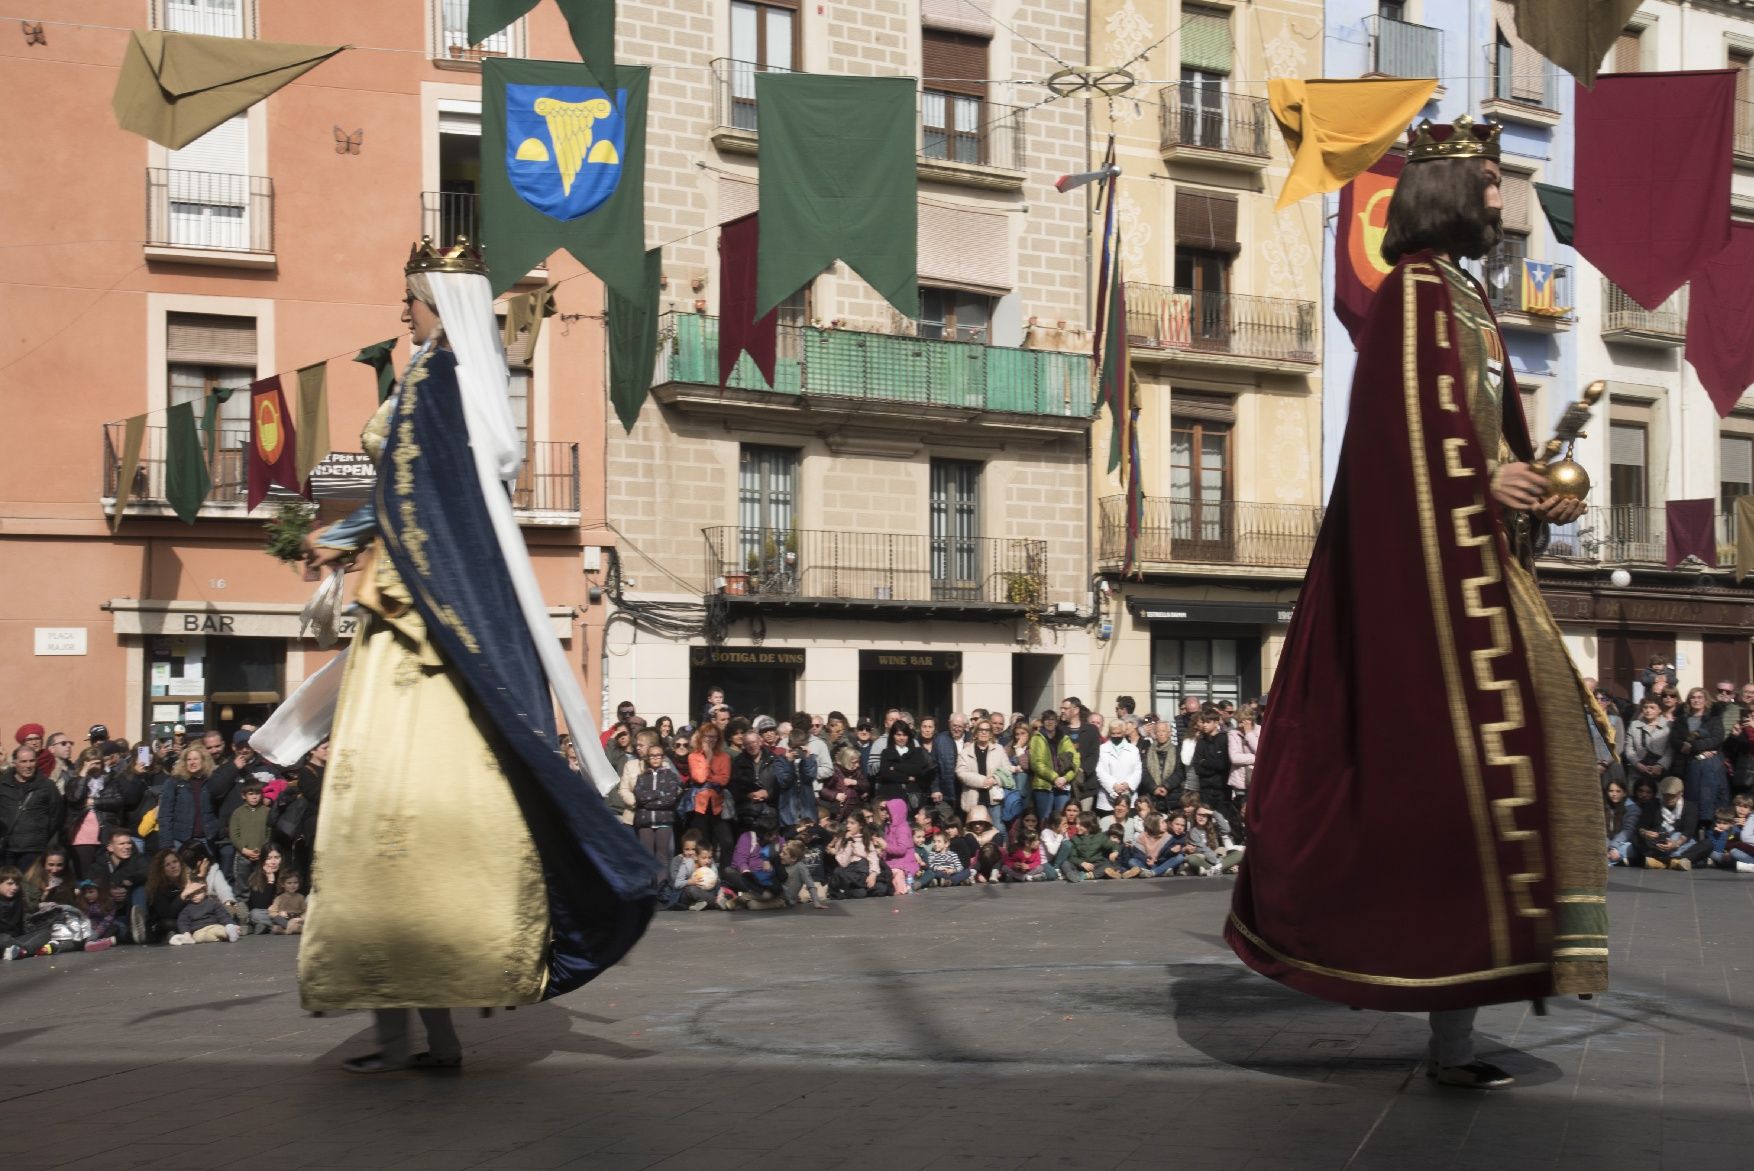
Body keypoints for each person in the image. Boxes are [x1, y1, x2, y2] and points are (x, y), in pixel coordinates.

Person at [1225, 115, 1608, 1092]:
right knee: (1449, 805)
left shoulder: (1472, 302)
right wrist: (1488, 487)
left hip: (1481, 572)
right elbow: (1398, 455)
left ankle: (1459, 1031)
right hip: (1430, 600)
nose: (1498, 197)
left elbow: (1491, 450)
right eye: (1485, 181)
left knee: (1525, 764)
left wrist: (1534, 488)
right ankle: (1443, 1028)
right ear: (1441, 192)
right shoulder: (1409, 301)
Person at [257, 237, 660, 1073]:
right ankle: (404, 1031)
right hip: (400, 618)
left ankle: (426, 1030)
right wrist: (338, 540)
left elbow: (415, 494)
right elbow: (409, 495)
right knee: (378, 837)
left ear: (436, 302)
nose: (401, 311)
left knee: (400, 831)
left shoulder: (437, 382)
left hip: (420, 631)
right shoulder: (432, 379)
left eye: (409, 297)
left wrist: (334, 538)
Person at [0, 744, 63, 871]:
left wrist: (40, 835)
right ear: (14, 763)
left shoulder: (47, 786)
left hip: (34, 849)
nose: (28, 765)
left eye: (32, 761)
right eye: (23, 761)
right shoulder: (2, 784)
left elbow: (57, 816)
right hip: (6, 848)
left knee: (29, 888)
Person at [1674, 688, 1729, 820]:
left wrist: (1692, 745)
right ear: (1688, 701)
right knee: (1692, 798)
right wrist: (1684, 745)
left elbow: (1717, 739)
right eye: (1693, 697)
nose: (1696, 700)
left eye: (1699, 697)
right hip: (1688, 764)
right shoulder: (1682, 719)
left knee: (1710, 797)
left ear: (1705, 700)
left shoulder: (1714, 718)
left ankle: (1709, 822)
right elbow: (1675, 739)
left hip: (1711, 765)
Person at [630, 742, 685, 864]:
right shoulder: (642, 777)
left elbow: (670, 799)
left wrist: (648, 803)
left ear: (663, 757)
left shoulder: (671, 776)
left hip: (664, 820)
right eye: (652, 755)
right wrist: (660, 793)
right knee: (647, 854)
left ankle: (661, 882)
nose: (655, 758)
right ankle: (648, 883)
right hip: (645, 821)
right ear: (648, 758)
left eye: (658, 755)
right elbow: (640, 798)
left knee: (662, 855)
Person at [1639, 776, 1707, 870]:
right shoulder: (1653, 805)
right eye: (1666, 795)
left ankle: (1664, 862)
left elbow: (1687, 833)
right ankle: (1675, 862)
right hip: (1658, 844)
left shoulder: (1690, 807)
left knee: (1707, 844)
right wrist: (1646, 833)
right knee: (1638, 842)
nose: (1669, 798)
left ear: (1680, 793)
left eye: (1673, 795)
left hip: (1681, 844)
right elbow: (1641, 827)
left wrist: (1675, 844)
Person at [1027, 711, 1079, 822]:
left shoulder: (1065, 739)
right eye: (1047, 719)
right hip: (1043, 786)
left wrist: (1065, 778)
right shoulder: (1037, 738)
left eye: (1052, 719)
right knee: (1045, 820)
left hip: (1063, 784)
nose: (1050, 722)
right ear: (1043, 722)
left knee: (1062, 820)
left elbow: (1075, 760)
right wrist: (1054, 777)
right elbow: (1036, 763)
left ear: (1056, 722)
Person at [171, 880, 239, 945]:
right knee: (198, 938)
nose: (195, 895)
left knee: (220, 930)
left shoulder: (212, 903)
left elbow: (223, 915)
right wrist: (186, 933)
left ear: (205, 892)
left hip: (213, 926)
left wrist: (229, 923)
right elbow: (182, 921)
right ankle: (222, 937)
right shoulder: (187, 908)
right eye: (192, 894)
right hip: (198, 930)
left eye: (198, 892)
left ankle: (230, 931)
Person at [1095, 719, 1141, 814]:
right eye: (1113, 733)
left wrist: (1128, 784)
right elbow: (1099, 770)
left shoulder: (1133, 749)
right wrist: (1113, 785)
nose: (1116, 735)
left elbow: (1138, 771)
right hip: (1107, 801)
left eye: (1118, 733)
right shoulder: (1102, 749)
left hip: (1129, 797)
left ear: (1124, 733)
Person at [1604, 776, 1640, 867]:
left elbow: (1628, 831)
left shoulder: (1632, 808)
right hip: (1606, 842)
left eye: (1618, 791)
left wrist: (1613, 847)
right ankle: (1612, 858)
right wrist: (1608, 846)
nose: (1614, 794)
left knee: (1627, 848)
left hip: (1624, 842)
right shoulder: (1605, 807)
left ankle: (1607, 858)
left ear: (1624, 793)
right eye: (1611, 791)